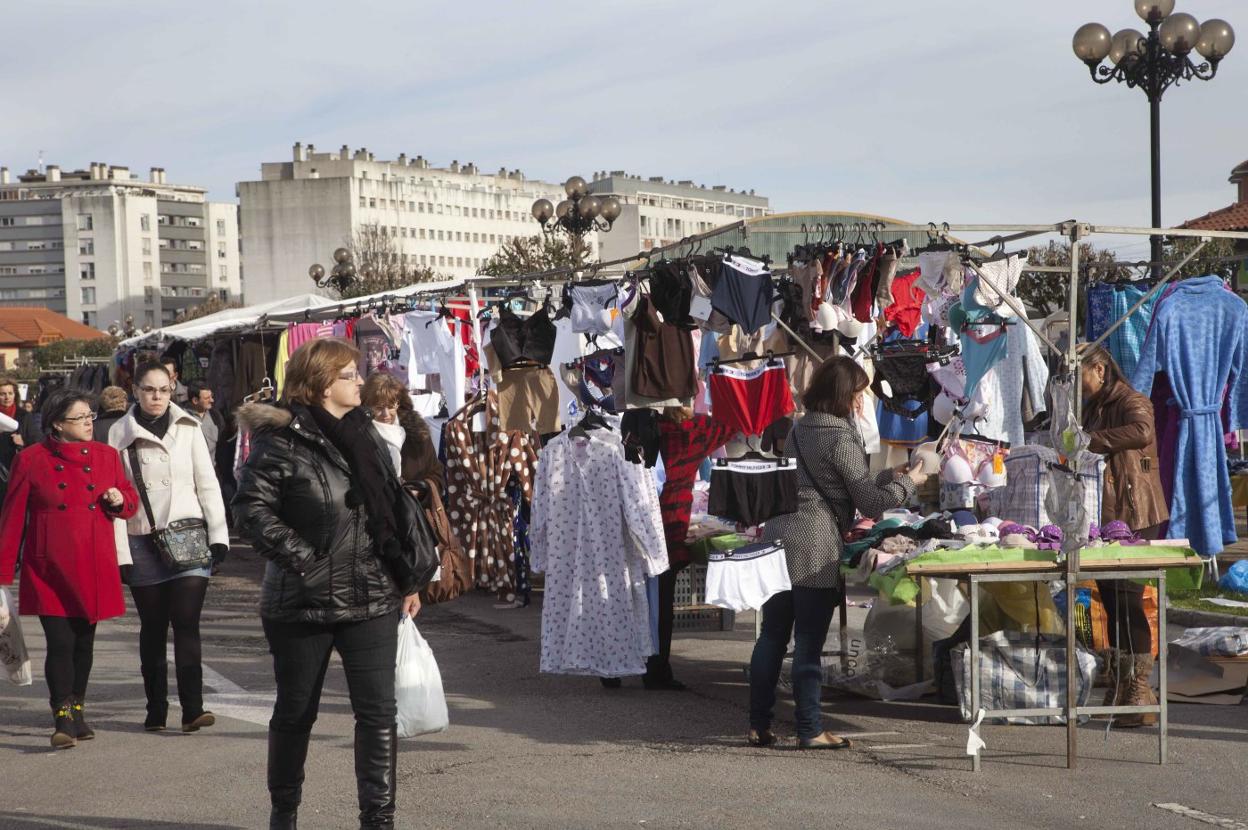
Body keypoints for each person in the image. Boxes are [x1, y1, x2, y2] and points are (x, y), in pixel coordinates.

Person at [232, 339, 424, 830]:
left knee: (378, 714)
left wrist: (406, 577)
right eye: (349, 375)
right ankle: (284, 815)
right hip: (303, 600)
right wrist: (306, 560)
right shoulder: (281, 441)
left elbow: (389, 512)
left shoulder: (367, 434)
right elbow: (251, 510)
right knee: (296, 712)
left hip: (372, 594)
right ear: (320, 384)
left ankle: (378, 820)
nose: (359, 381)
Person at [747, 356, 929, 750]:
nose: (863, 401)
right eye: (860, 392)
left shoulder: (801, 427)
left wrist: (887, 476)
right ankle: (810, 728)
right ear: (845, 394)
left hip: (779, 532)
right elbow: (869, 502)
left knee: (772, 637)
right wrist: (910, 482)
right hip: (813, 542)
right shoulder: (839, 435)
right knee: (809, 642)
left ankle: (758, 724)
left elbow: (841, 480)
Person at [0, 390, 139, 748]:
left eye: (90, 415)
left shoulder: (108, 456)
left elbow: (129, 500)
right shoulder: (31, 458)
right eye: (80, 417)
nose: (90, 421)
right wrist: (2, 576)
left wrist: (119, 499)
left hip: (94, 561)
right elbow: (12, 518)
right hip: (48, 566)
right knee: (60, 642)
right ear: (58, 423)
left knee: (84, 642)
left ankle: (78, 707)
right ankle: (61, 714)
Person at [109, 361, 229, 733]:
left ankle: (193, 708)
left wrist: (219, 535)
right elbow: (113, 500)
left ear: (172, 388)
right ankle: (156, 706)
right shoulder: (119, 433)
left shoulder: (189, 427)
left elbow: (207, 482)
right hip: (141, 539)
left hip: (189, 535)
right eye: (149, 389)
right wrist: (121, 554)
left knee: (186, 621)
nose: (157, 396)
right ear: (136, 391)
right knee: (154, 627)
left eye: (163, 389)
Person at [1081, 343, 1168, 727]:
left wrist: (1090, 441)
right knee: (1112, 600)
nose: (1076, 382)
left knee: (1128, 599)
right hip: (1106, 511)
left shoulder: (1132, 400)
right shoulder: (1094, 404)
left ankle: (1140, 689)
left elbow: (1142, 430)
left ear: (1100, 369)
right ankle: (1122, 681)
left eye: (1080, 373)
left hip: (1136, 512)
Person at [360, 373, 442, 491]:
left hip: (414, 507)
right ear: (366, 406)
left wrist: (419, 491)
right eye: (378, 408)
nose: (386, 415)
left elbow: (436, 474)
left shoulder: (417, 434)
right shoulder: (357, 437)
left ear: (398, 404)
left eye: (390, 407)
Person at [0, 376, 42, 470]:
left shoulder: (25, 416)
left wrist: (23, 441)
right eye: (2, 394)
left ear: (15, 395)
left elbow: (38, 441)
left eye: (10, 393)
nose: (7, 397)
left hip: (18, 466)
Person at [186, 383, 223, 460]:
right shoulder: (183, 417)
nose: (212, 400)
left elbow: (222, 445)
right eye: (207, 398)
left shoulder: (216, 416)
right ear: (195, 400)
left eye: (211, 396)